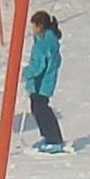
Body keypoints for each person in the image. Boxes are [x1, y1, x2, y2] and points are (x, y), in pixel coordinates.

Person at [22, 9, 67, 153]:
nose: (32, 29)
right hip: (41, 83)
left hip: (41, 83)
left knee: (41, 110)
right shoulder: (46, 40)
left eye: (34, 26)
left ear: (40, 26)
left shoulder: (45, 43)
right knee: (37, 108)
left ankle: (54, 139)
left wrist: (27, 73)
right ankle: (48, 136)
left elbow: (39, 65)